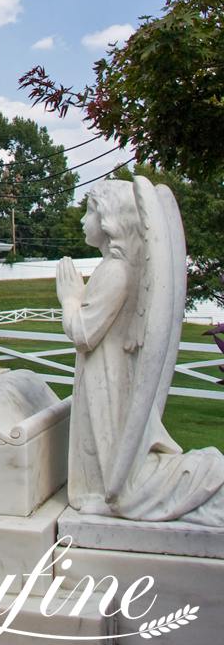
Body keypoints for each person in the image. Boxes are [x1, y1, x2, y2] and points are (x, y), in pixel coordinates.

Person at [57, 178, 224, 525]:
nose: (82, 221)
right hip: (105, 374)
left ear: (109, 221)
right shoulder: (114, 268)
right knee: (105, 440)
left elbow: (85, 333)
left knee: (118, 451)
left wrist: (70, 298)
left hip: (110, 378)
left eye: (89, 211)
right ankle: (99, 490)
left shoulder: (116, 271)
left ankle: (118, 490)